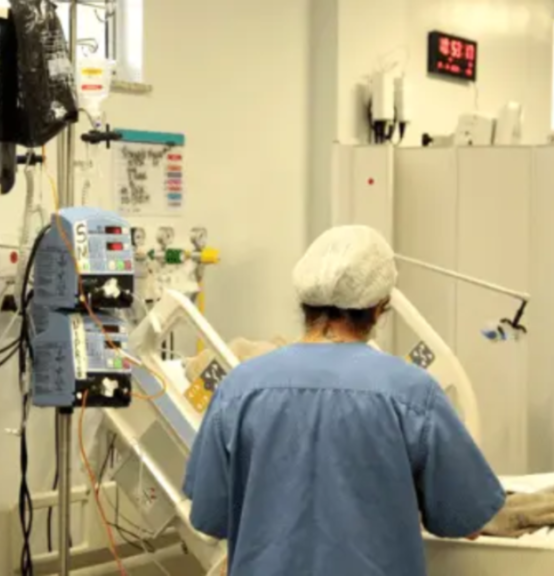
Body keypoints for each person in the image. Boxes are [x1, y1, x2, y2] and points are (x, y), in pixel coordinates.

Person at [182, 225, 505, 576]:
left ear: (304, 303)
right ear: (380, 307)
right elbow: (467, 520)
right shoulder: (413, 393)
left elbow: (209, 517)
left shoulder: (238, 389)